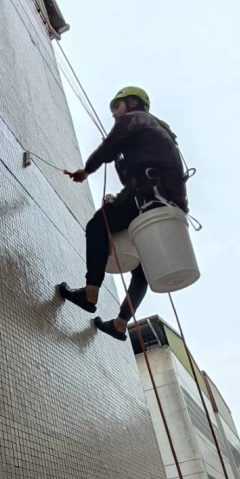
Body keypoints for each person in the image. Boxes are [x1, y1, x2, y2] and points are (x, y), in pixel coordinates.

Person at [59, 86, 189, 341]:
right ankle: (120, 324)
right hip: (167, 203)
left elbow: (109, 147)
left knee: (98, 225)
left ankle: (90, 292)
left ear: (131, 104)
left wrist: (85, 171)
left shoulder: (136, 119)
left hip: (148, 196)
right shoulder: (160, 132)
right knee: (141, 267)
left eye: (116, 107)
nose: (114, 115)